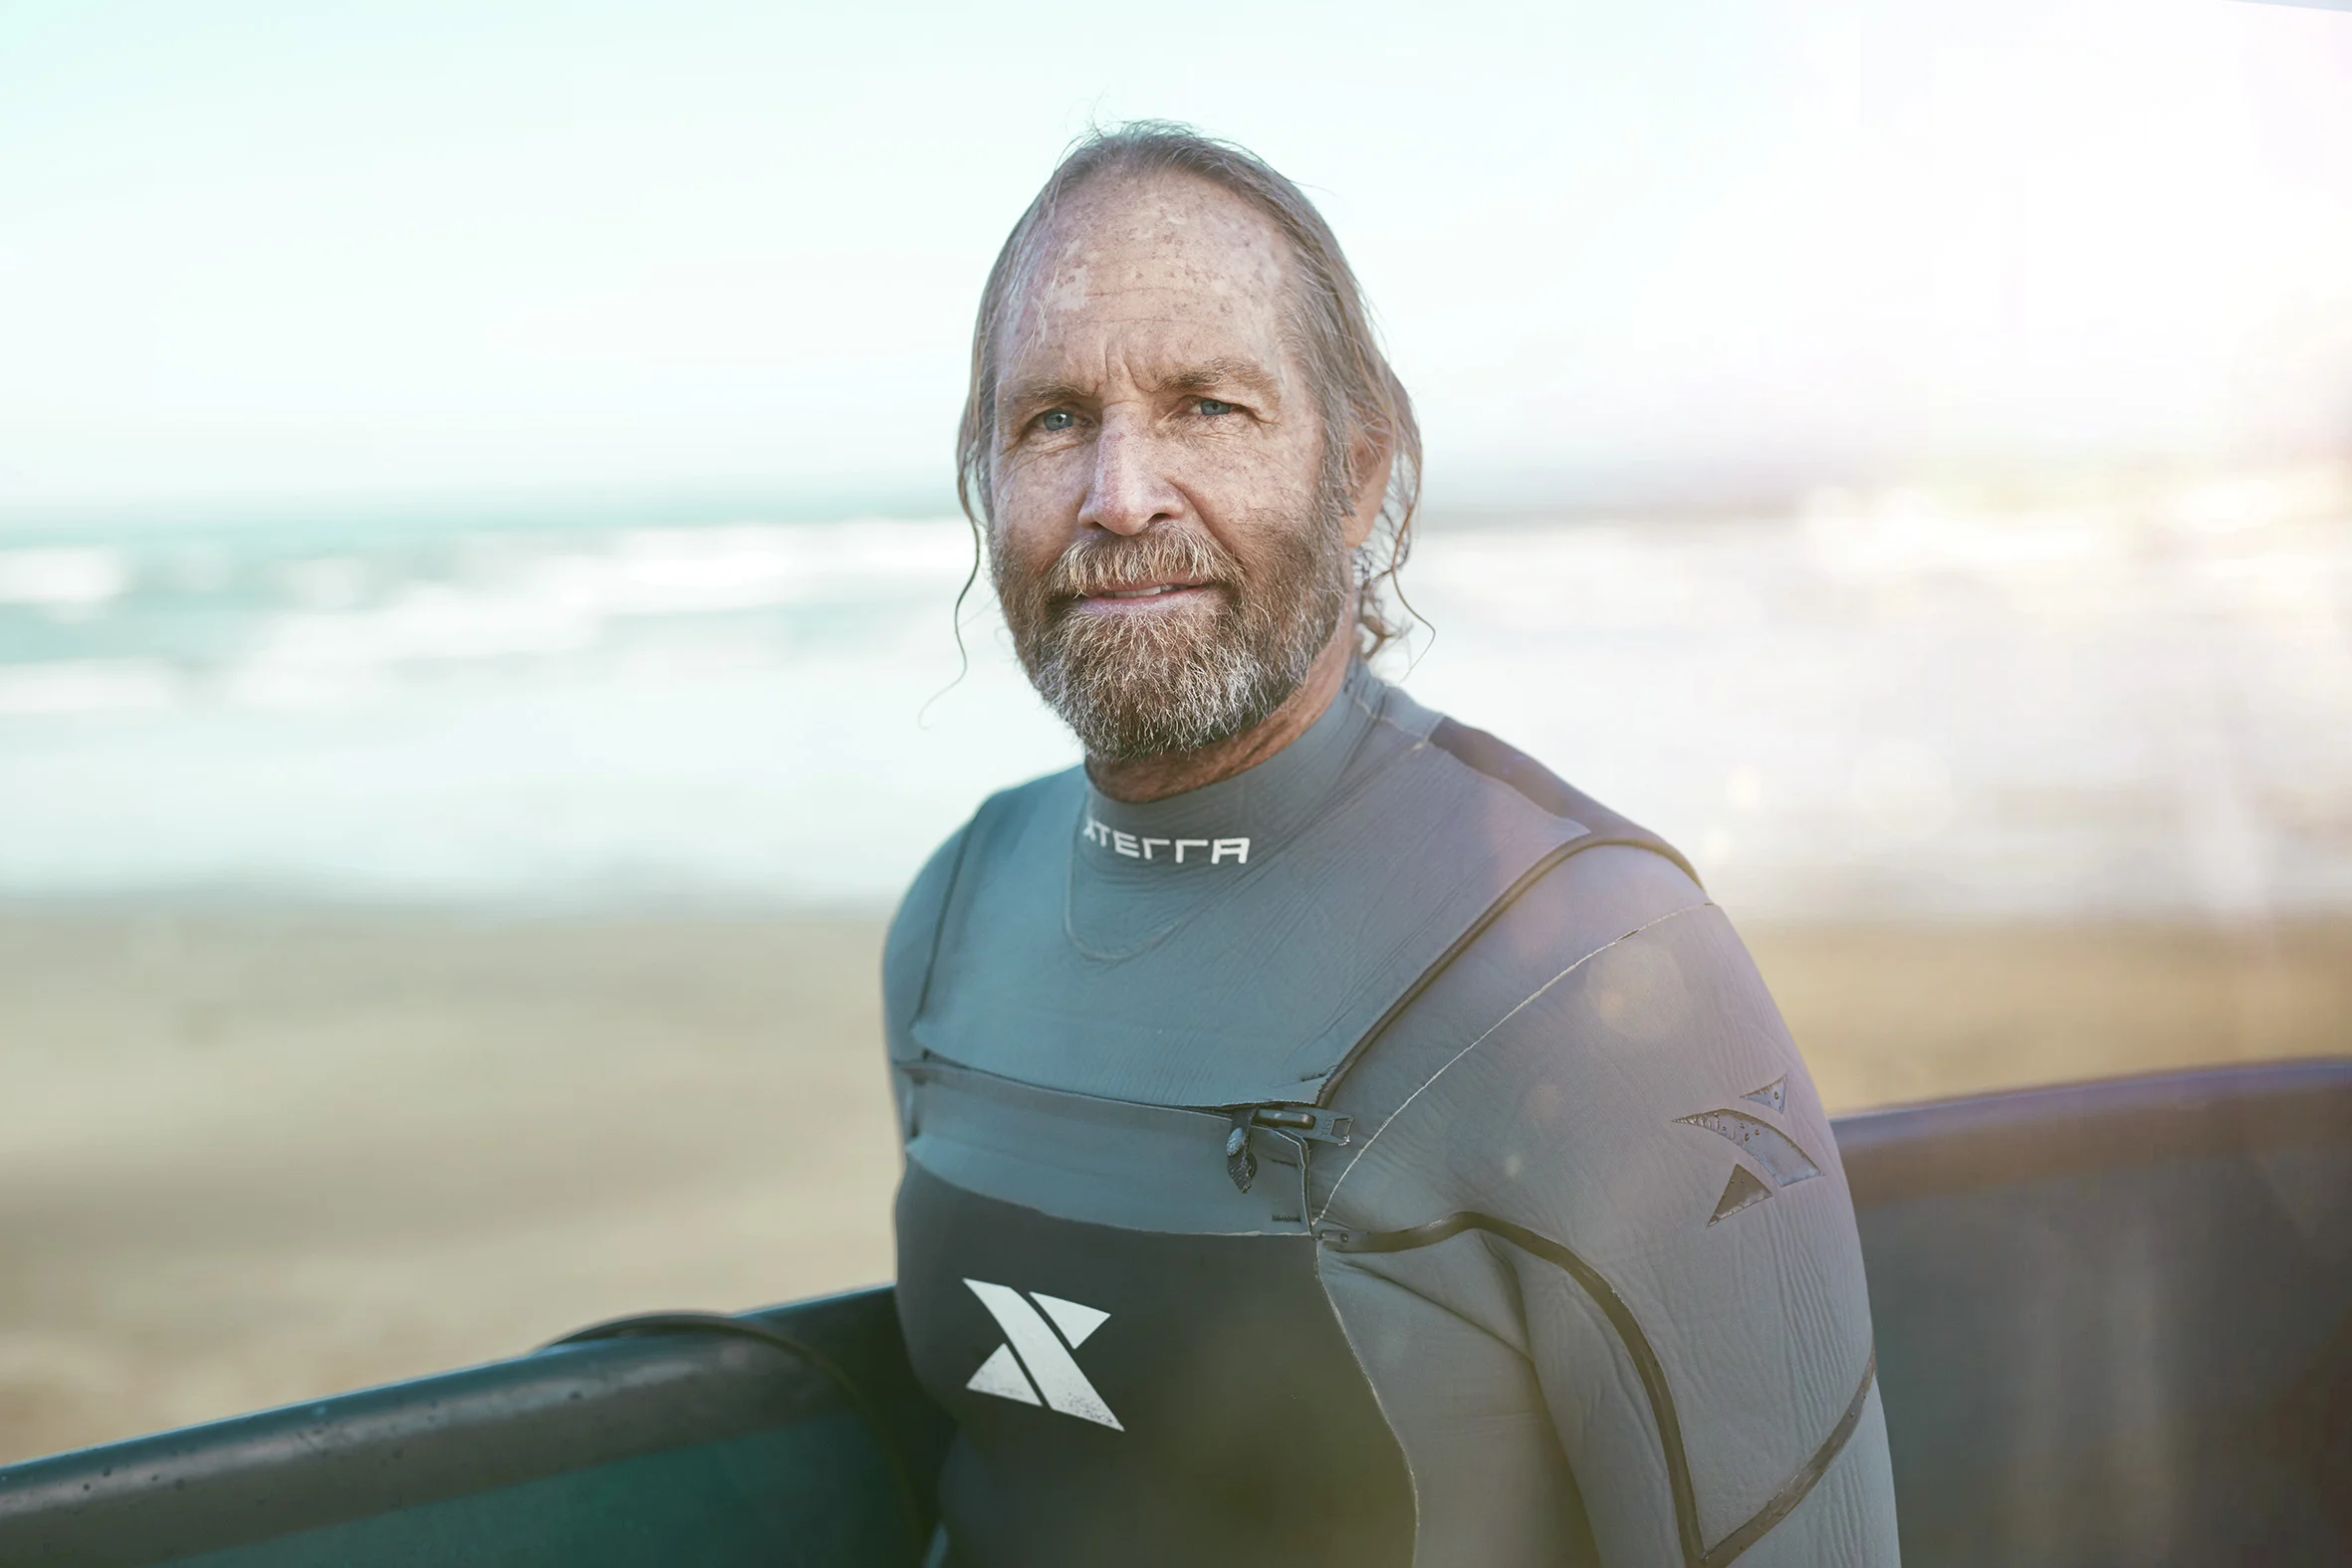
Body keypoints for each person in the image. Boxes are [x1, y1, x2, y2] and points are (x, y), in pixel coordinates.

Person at [883, 121, 1900, 1567]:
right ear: (989, 480)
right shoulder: (950, 922)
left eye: (1207, 405)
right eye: (1050, 418)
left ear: (1358, 476)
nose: (1118, 491)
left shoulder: (1592, 972)